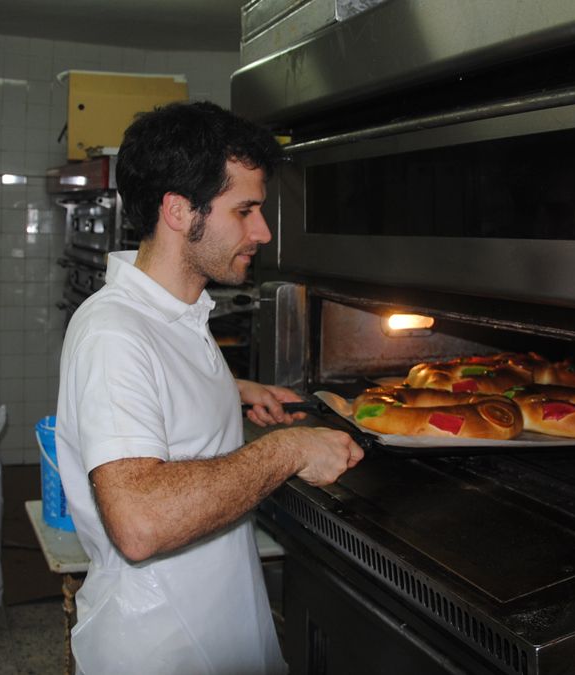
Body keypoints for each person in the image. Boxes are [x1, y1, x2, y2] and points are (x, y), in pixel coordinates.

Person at [55, 101, 365, 675]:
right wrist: (287, 449)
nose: (263, 231)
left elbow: (162, 381)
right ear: (179, 211)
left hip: (219, 627)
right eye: (244, 210)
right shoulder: (113, 333)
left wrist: (235, 388)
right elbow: (140, 521)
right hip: (161, 648)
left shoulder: (179, 314)